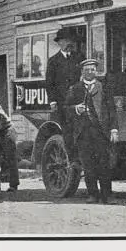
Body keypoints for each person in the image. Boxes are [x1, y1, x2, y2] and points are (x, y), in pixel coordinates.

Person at [65, 59, 119, 204]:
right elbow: (66, 109)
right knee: (88, 165)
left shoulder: (104, 87)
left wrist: (114, 129)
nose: (90, 72)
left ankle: (107, 195)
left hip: (101, 132)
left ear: (96, 71)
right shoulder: (75, 88)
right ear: (82, 72)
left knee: (104, 164)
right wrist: (76, 109)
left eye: (92, 69)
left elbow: (111, 110)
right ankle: (93, 195)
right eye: (87, 70)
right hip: (83, 134)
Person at [45, 27, 82, 167]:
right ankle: (73, 159)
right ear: (59, 43)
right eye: (66, 40)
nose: (69, 43)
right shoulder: (53, 61)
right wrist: (53, 100)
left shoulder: (79, 57)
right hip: (62, 102)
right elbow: (49, 83)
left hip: (79, 101)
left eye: (71, 41)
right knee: (67, 130)